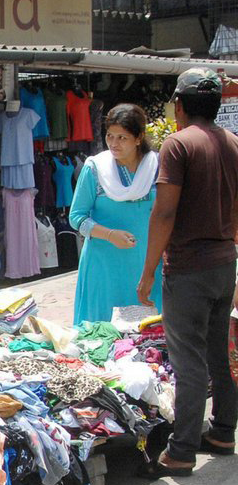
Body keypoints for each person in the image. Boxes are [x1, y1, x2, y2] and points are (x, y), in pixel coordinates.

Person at [138, 68, 238, 478]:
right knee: (217, 353)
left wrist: (147, 273)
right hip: (223, 263)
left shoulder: (177, 145)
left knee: (189, 360)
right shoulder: (232, 143)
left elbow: (164, 212)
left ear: (179, 105)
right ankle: (223, 432)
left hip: (189, 268)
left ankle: (180, 451)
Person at [69, 104, 162, 324]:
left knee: (148, 335)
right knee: (101, 333)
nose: (113, 143)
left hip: (146, 265)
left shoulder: (158, 167)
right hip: (103, 267)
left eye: (122, 137)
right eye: (110, 136)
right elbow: (76, 218)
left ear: (138, 138)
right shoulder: (95, 169)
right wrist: (110, 235)